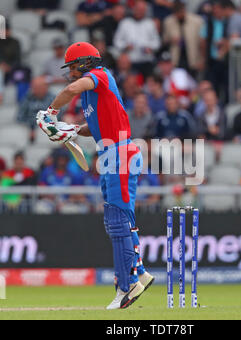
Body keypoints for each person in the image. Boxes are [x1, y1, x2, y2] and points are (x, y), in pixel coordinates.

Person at [36, 41, 154, 310]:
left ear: (88, 62)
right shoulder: (93, 93)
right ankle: (140, 273)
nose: (72, 71)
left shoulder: (99, 76)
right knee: (122, 219)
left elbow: (70, 89)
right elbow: (97, 126)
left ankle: (127, 287)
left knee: (117, 221)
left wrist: (51, 113)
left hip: (120, 153)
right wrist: (74, 130)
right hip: (111, 155)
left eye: (75, 65)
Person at [114, 0, 161, 77]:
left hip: (146, 60)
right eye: (138, 9)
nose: (140, 12)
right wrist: (126, 46)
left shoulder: (150, 23)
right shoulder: (125, 23)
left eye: (142, 10)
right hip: (130, 61)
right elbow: (117, 42)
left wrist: (150, 47)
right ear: (134, 9)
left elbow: (157, 42)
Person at [163, 0, 203, 76]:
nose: (179, 15)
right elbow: (165, 40)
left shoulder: (197, 21)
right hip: (176, 58)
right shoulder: (168, 21)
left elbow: (202, 42)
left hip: (192, 57)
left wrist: (201, 60)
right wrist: (172, 40)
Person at [17, 76, 55, 142]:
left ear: (46, 87)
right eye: (34, 87)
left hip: (47, 127)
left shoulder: (53, 99)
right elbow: (20, 117)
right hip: (28, 128)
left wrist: (38, 127)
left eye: (39, 87)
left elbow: (57, 116)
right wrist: (31, 128)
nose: (35, 90)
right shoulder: (27, 97)